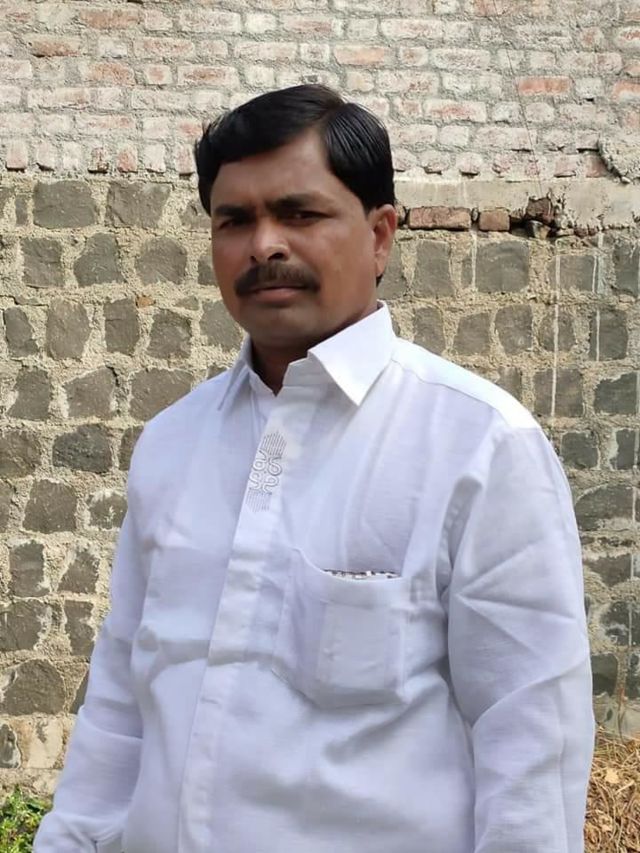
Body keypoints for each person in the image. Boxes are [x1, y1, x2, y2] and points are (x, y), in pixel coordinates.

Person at [35, 84, 595, 853]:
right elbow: (120, 709)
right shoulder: (172, 444)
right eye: (234, 220)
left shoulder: (479, 446)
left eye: (299, 214)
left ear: (381, 234)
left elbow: (532, 748)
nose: (264, 244)